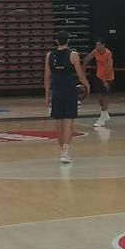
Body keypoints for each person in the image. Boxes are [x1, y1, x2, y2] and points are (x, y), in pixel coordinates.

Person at [45, 31, 90, 164]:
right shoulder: (73, 55)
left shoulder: (49, 55)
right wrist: (87, 84)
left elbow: (46, 77)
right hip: (70, 91)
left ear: (57, 41)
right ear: (68, 41)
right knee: (69, 121)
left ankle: (63, 152)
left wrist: (47, 95)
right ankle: (65, 152)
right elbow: (80, 75)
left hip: (56, 91)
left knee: (59, 122)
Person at [83, 38, 115, 128]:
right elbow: (86, 60)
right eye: (96, 45)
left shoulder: (108, 53)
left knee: (105, 97)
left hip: (108, 78)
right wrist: (83, 71)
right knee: (100, 98)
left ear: (103, 45)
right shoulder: (95, 51)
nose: (97, 46)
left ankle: (102, 118)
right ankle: (105, 114)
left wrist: (105, 80)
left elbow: (109, 67)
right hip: (99, 76)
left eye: (98, 45)